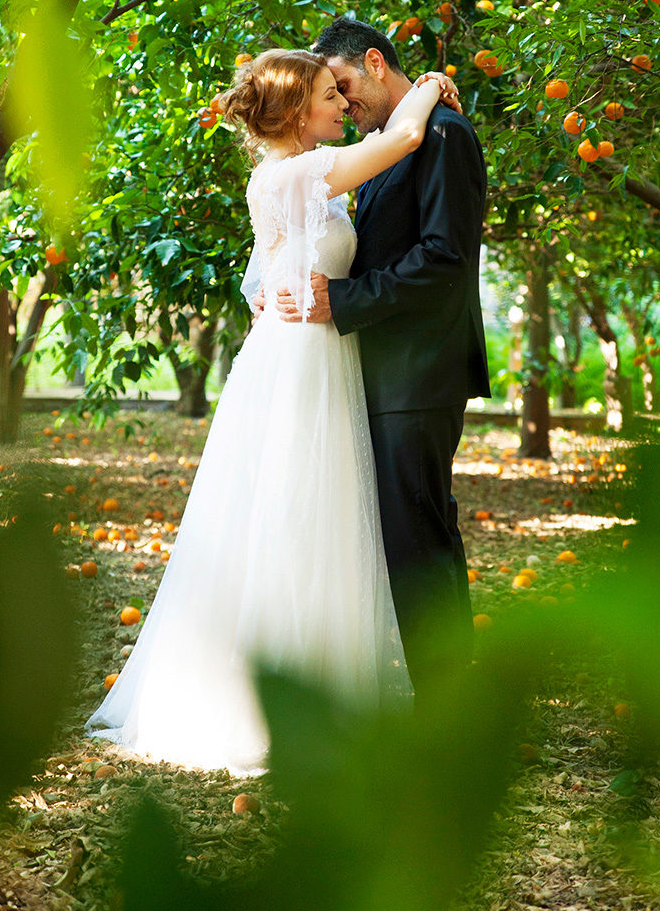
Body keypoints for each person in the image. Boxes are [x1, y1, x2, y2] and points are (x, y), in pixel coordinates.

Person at [85, 49, 457, 775]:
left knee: (308, 513)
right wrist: (431, 86)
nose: (344, 105)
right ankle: (275, 702)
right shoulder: (301, 172)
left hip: (304, 348)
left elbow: (264, 267)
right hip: (300, 361)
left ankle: (311, 689)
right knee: (294, 511)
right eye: (329, 95)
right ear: (294, 113)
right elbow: (404, 138)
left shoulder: (286, 179)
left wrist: (269, 291)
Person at [274, 18, 490, 700]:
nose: (341, 103)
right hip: (384, 371)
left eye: (341, 86)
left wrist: (343, 300)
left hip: (419, 373)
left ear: (373, 60)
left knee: (418, 536)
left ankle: (451, 703)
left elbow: (444, 257)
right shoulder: (382, 145)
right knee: (408, 534)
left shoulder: (445, 137)